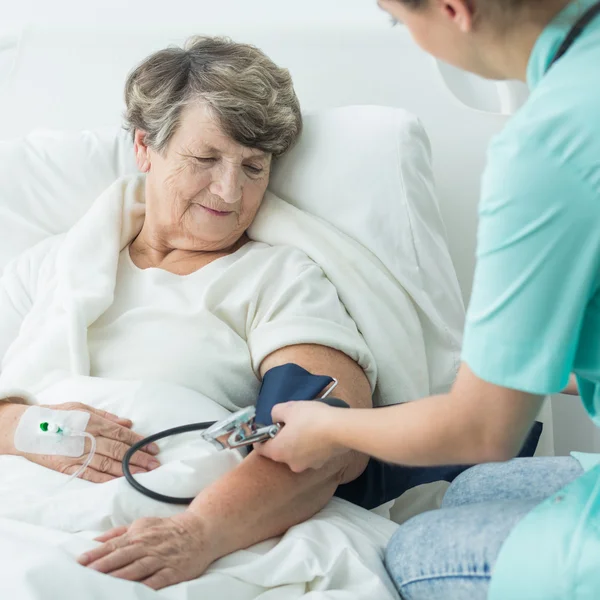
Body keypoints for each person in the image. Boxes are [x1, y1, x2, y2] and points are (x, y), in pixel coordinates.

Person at [0, 36, 376, 590]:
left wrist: (199, 533)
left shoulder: (277, 279)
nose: (229, 191)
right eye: (206, 159)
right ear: (145, 147)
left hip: (177, 519)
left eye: (254, 167)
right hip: (25, 507)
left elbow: (332, 436)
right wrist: (44, 428)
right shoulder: (47, 267)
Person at [255, 0, 600, 598]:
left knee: (418, 550)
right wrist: (514, 372)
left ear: (452, 9)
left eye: (397, 18)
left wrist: (333, 427)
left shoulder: (546, 147)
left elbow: (482, 433)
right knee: (474, 491)